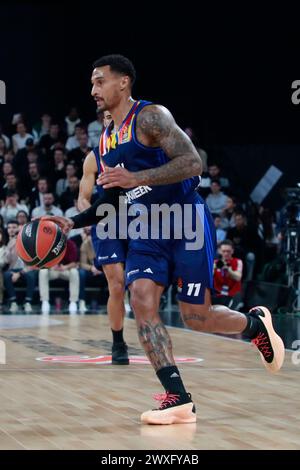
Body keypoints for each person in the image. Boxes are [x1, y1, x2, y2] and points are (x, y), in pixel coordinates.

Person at [39, 54, 285, 425]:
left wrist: (138, 178)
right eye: (91, 83)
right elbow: (112, 201)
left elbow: (192, 164)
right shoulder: (105, 143)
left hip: (185, 220)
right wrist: (69, 223)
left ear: (123, 82)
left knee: (196, 316)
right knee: (140, 299)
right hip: (147, 230)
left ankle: (254, 327)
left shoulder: (152, 117)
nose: (93, 90)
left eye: (99, 81)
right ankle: (178, 397)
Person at [77, 109, 129, 365]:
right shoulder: (94, 157)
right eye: (107, 117)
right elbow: (83, 197)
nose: (112, 120)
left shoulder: (139, 149)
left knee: (142, 286)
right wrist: (86, 215)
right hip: (106, 219)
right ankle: (118, 341)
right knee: (117, 283)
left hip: (139, 218)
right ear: (103, 122)